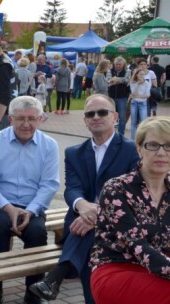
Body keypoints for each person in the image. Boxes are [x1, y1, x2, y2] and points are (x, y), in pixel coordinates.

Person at [28, 94, 139, 303]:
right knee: (91, 243)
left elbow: (133, 193)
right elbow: (72, 190)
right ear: (85, 120)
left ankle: (56, 277)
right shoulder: (74, 153)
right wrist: (83, 206)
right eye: (90, 114)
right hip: (81, 221)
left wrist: (99, 213)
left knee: (91, 235)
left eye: (102, 112)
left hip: (118, 223)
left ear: (115, 116)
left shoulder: (132, 150)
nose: (96, 117)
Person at [0, 96, 60, 304]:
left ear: (40, 119)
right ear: (10, 118)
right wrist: (7, 207)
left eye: (32, 118)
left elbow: (49, 184)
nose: (26, 124)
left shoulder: (49, 145)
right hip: (0, 203)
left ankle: (33, 291)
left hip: (32, 205)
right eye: (21, 118)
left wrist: (30, 211)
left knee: (37, 233)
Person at [90, 116, 170, 304]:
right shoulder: (116, 189)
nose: (162, 152)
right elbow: (136, 244)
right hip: (118, 268)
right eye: (153, 145)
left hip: (162, 269)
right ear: (139, 148)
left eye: (168, 145)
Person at [107, 56, 131, 135]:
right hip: (111, 96)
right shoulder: (110, 71)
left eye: (119, 64)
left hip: (122, 97)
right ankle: (110, 133)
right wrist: (121, 80)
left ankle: (121, 134)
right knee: (109, 116)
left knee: (122, 117)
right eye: (116, 64)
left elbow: (127, 80)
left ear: (123, 64)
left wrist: (116, 79)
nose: (117, 66)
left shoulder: (127, 70)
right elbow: (108, 80)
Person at [129, 68, 151, 140]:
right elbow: (134, 93)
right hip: (134, 103)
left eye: (143, 74)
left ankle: (143, 139)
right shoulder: (133, 82)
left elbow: (147, 95)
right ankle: (132, 139)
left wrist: (137, 96)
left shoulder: (147, 83)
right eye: (140, 74)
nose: (142, 76)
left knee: (144, 121)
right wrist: (138, 84)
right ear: (137, 75)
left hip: (143, 103)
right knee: (133, 122)